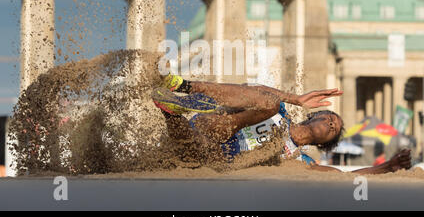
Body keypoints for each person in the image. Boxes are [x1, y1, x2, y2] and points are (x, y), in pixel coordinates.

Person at [152, 75, 411, 174]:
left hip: (217, 154)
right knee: (269, 101)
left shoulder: (300, 160)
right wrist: (296, 98)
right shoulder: (284, 112)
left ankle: (170, 112)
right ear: (312, 116)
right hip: (221, 124)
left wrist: (388, 166)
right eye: (330, 117)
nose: (332, 123)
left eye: (334, 128)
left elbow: (343, 177)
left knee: (197, 147)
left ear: (322, 143)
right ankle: (183, 87)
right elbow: (257, 89)